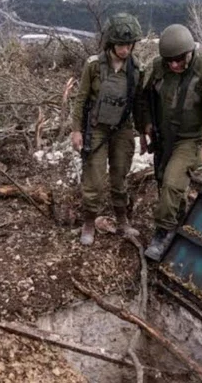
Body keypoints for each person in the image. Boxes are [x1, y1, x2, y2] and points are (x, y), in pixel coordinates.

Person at [140, 24, 202, 261]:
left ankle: (163, 233)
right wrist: (146, 125)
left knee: (173, 183)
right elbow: (143, 98)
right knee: (164, 180)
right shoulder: (158, 67)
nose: (173, 65)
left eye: (178, 60)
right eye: (169, 60)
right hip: (162, 136)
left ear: (189, 53)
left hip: (189, 139)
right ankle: (180, 218)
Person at [70, 13, 146, 245]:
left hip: (122, 129)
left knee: (120, 176)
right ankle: (89, 221)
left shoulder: (136, 69)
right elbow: (81, 99)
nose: (125, 49)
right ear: (111, 43)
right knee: (94, 179)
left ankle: (122, 220)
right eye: (121, 44)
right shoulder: (94, 66)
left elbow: (139, 104)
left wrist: (143, 133)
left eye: (129, 44)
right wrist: (76, 130)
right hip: (97, 128)